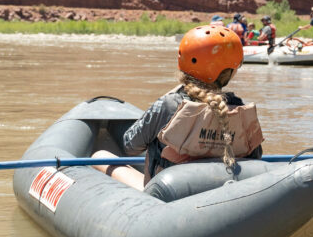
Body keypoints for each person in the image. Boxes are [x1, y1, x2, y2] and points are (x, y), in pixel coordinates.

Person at [94, 24, 264, 191]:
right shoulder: (240, 109)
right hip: (219, 194)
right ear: (230, 73)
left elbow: (130, 146)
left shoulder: (169, 105)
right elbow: (255, 157)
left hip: (168, 196)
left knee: (100, 156)